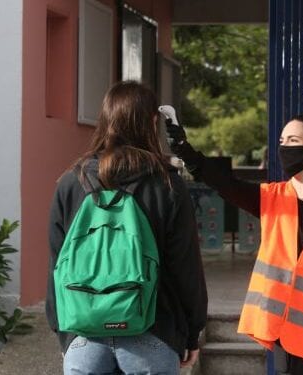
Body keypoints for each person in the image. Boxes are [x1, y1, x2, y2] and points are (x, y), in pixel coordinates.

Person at [167, 114, 303, 375]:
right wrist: (185, 151)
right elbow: (225, 184)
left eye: (293, 140)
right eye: (282, 141)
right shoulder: (273, 198)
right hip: (286, 337)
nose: (284, 148)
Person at [46, 81, 207, 374]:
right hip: (154, 331)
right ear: (152, 122)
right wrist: (192, 332)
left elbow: (57, 263)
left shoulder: (71, 181)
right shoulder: (167, 184)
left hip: (83, 332)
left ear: (104, 120)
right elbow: (186, 268)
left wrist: (63, 334)